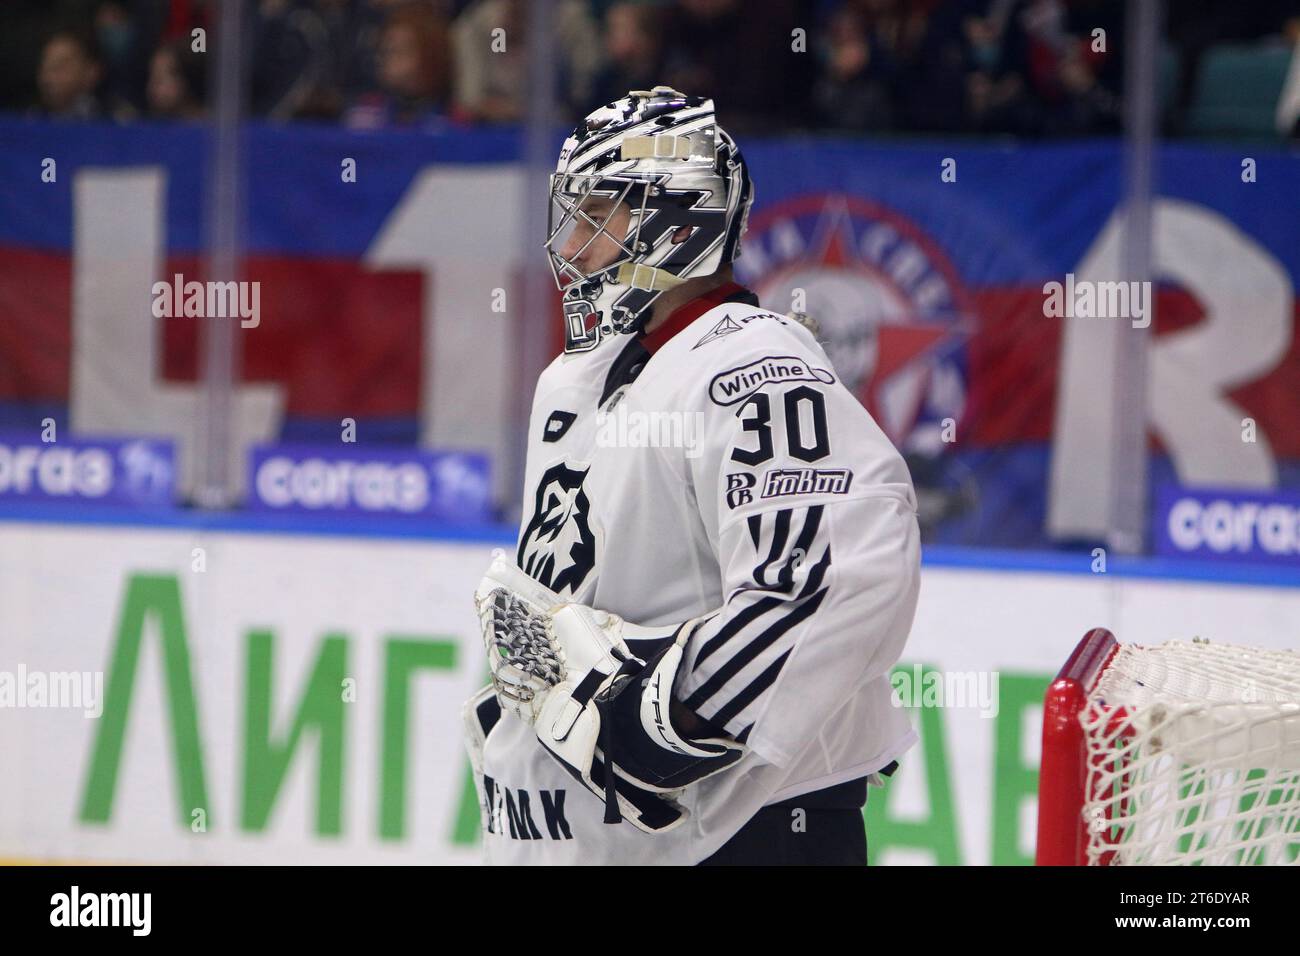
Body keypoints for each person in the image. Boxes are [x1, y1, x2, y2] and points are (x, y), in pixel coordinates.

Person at [463, 87, 920, 865]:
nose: (572, 242)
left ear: (676, 221)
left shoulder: (753, 368)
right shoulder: (576, 380)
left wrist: (664, 718)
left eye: (597, 215)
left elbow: (827, 577)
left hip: (746, 835)